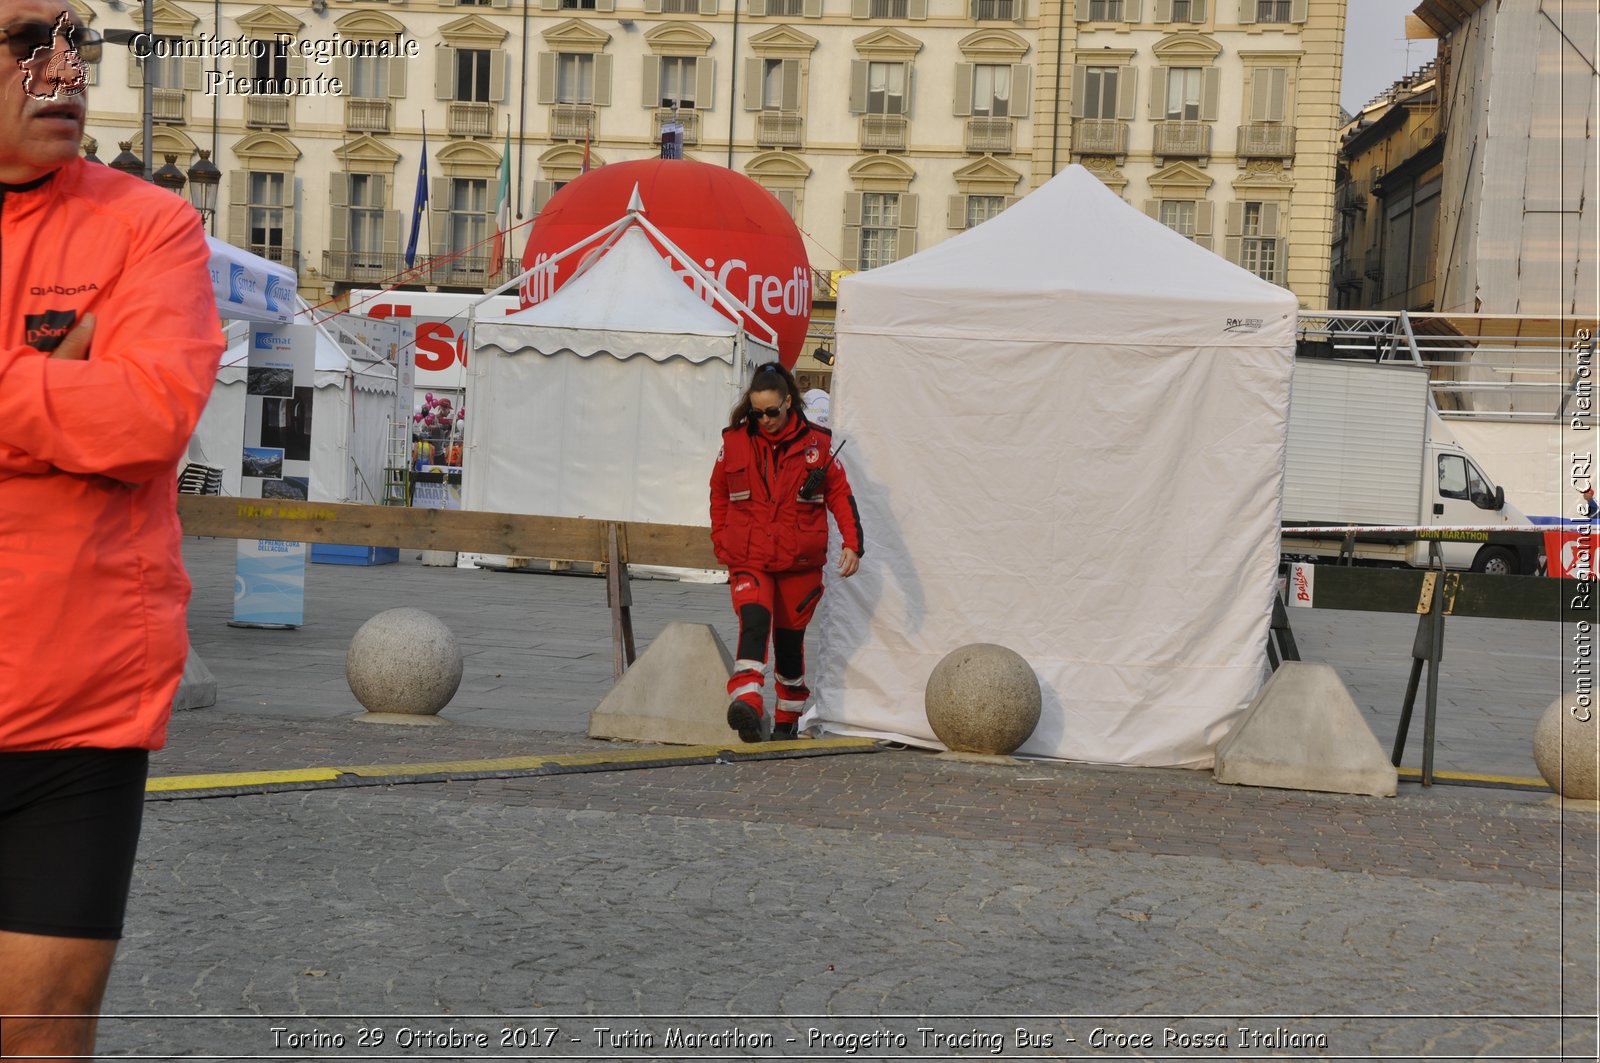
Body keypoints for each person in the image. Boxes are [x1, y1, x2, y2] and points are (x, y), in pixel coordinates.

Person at [0, 3, 224, 1056]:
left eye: (77, 40)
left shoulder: (150, 224)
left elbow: (145, 420)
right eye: (24, 43)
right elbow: (94, 410)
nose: (63, 68)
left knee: (39, 1037)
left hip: (75, 708)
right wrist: (51, 387)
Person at [709, 362, 863, 742]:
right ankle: (746, 701)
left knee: (789, 645)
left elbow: (841, 495)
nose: (764, 419)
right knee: (754, 624)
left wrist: (853, 544)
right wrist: (721, 537)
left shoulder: (819, 446)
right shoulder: (734, 442)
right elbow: (718, 493)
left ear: (789, 402)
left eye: (772, 412)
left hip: (799, 563)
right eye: (757, 412)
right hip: (750, 556)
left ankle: (787, 718)